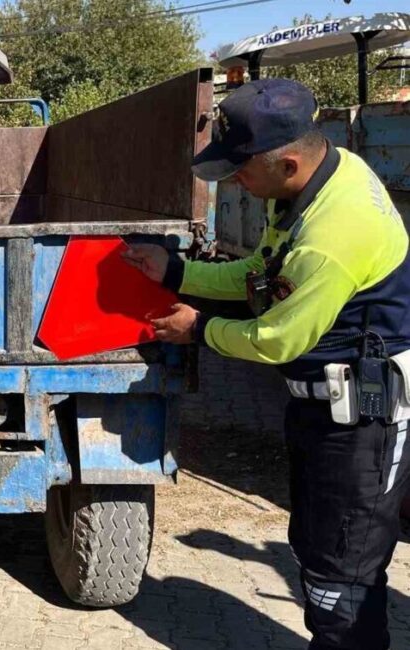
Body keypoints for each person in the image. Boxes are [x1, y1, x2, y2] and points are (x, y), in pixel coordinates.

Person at [123, 79, 410, 649]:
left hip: (362, 426)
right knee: (323, 555)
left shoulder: (332, 234)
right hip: (326, 416)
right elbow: (261, 273)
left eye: (240, 169)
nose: (233, 181)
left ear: (286, 161)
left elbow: (278, 338)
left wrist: (198, 329)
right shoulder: (316, 182)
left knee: (340, 584)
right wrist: (177, 273)